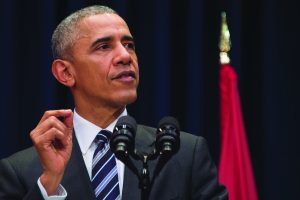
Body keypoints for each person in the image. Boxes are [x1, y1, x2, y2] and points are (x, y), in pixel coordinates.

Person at [0, 5, 228, 200]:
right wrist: (49, 184)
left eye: (129, 45)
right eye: (104, 47)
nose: (125, 56)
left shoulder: (185, 155)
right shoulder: (22, 171)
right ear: (65, 73)